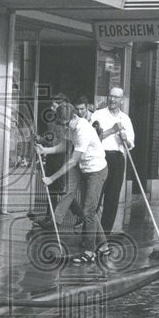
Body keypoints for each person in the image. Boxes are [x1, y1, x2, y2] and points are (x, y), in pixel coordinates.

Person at [36, 102, 108, 263]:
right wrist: (45, 150)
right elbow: (66, 145)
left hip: (96, 171)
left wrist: (51, 178)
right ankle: (103, 246)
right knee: (89, 210)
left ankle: (89, 252)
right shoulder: (72, 127)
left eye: (67, 123)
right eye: (63, 125)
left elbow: (72, 161)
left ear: (74, 116)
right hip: (85, 169)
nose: (66, 127)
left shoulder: (83, 130)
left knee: (89, 211)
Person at [92, 86, 135, 237]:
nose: (113, 99)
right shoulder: (98, 115)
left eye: (116, 97)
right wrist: (111, 130)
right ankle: (89, 236)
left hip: (117, 159)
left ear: (122, 100)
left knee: (112, 198)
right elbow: (92, 138)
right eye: (111, 96)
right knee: (95, 198)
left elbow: (131, 144)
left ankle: (104, 236)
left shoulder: (126, 119)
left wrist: (126, 140)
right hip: (100, 157)